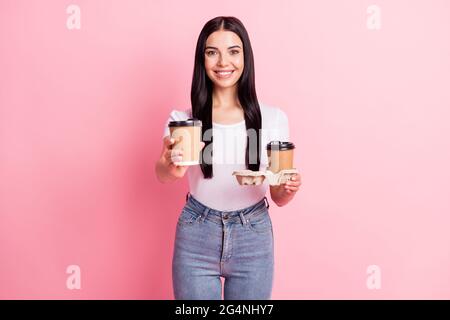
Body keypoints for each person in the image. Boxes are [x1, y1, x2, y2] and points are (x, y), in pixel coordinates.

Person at [155, 16, 301, 300]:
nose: (223, 62)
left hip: (253, 235)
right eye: (213, 52)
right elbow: (163, 173)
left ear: (245, 56)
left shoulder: (273, 119)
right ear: (202, 59)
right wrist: (170, 165)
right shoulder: (183, 120)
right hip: (197, 232)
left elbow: (279, 196)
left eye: (233, 51)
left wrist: (286, 189)